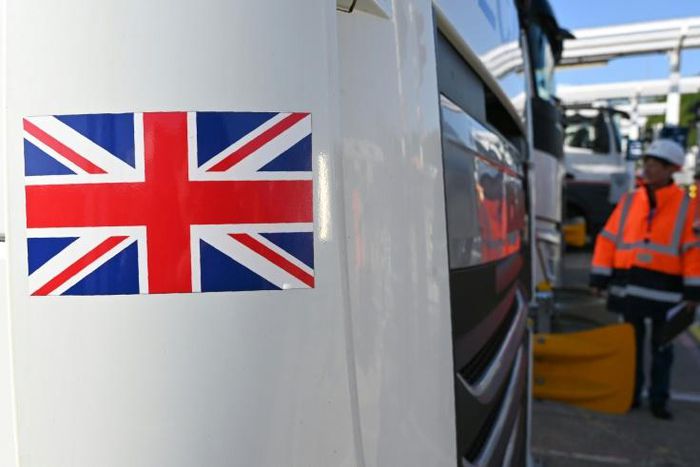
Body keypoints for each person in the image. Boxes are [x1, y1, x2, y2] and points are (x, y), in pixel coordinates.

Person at [589, 138, 700, 420]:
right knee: (631, 347)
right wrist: (599, 278)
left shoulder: (686, 207)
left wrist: (693, 292)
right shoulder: (629, 201)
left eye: (654, 165)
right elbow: (607, 240)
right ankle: (632, 395)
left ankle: (658, 400)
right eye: (646, 163)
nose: (647, 169)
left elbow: (693, 250)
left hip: (667, 290)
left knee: (663, 347)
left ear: (671, 169)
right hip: (631, 285)